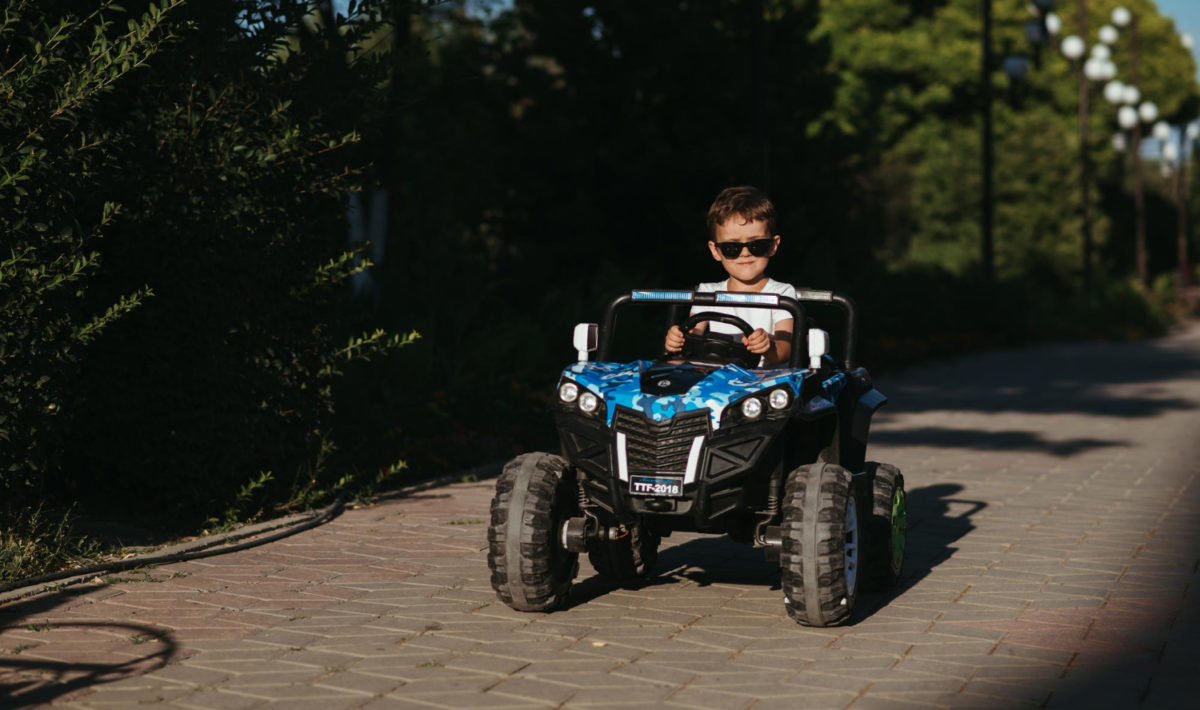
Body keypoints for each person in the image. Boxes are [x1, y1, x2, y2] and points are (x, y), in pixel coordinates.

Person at [664, 185, 796, 366]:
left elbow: (785, 349)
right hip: (716, 381)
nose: (745, 253)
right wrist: (678, 339)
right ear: (716, 251)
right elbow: (693, 334)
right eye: (731, 248)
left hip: (765, 386)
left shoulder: (782, 293)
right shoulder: (707, 292)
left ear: (773, 245)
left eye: (757, 245)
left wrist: (768, 346)